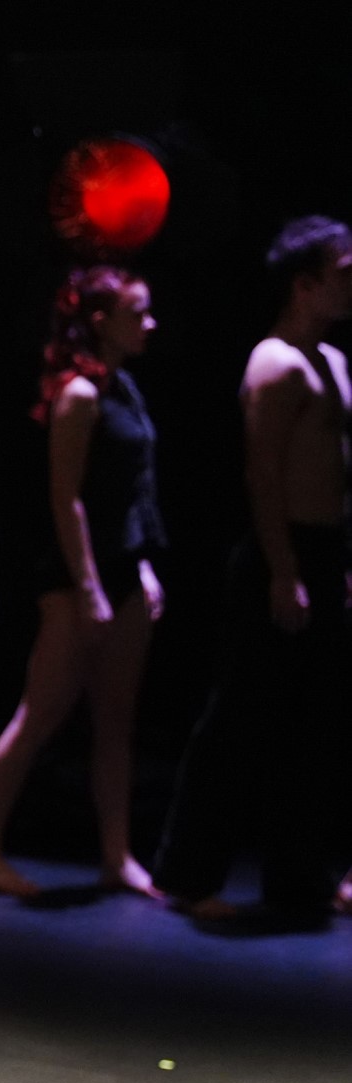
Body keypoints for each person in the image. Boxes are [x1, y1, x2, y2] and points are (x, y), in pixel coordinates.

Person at [155, 217, 352, 921]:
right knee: (241, 715)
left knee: (316, 722)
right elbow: (261, 472)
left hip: (323, 550)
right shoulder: (275, 363)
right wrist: (283, 569)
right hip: (280, 550)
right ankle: (189, 875)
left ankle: (300, 878)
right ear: (304, 284)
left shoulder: (334, 362)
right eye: (343, 273)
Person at [0, 267, 167, 897]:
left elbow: (134, 490)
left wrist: (143, 567)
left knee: (116, 721)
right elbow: (65, 497)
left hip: (126, 566)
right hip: (78, 575)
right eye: (137, 313)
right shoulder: (78, 395)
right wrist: (88, 586)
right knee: (41, 714)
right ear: (100, 322)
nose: (150, 324)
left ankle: (116, 856)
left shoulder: (123, 388)